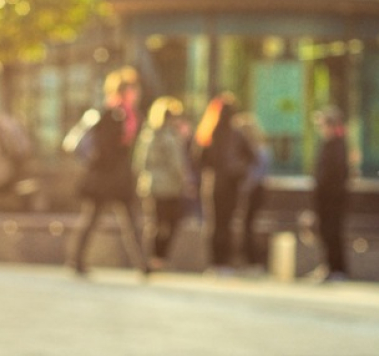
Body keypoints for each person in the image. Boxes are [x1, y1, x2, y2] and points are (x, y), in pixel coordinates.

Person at [64, 68, 149, 277]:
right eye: (132, 89)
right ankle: (76, 260)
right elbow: (105, 148)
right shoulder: (111, 114)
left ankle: (143, 264)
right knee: (93, 219)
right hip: (105, 178)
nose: (136, 94)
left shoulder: (130, 115)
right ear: (124, 91)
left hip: (118, 178)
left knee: (130, 221)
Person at [195, 93, 255, 273]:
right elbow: (252, 156)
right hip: (230, 184)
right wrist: (239, 169)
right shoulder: (235, 134)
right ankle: (224, 262)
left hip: (215, 183)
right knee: (226, 223)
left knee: (216, 223)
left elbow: (198, 160)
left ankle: (216, 262)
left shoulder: (209, 132)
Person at [135, 95, 191, 271]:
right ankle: (159, 258)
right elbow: (177, 164)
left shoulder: (147, 134)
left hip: (150, 185)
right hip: (169, 186)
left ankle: (152, 258)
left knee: (155, 222)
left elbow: (139, 163)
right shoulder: (169, 136)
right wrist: (186, 181)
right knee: (171, 222)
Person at [311, 106, 350, 281]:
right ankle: (330, 266)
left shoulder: (337, 146)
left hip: (332, 198)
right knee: (326, 232)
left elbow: (335, 175)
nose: (321, 129)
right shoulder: (328, 145)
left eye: (323, 125)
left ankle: (336, 268)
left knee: (332, 232)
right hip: (325, 197)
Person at [235, 112, 271, 272]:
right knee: (246, 225)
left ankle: (253, 260)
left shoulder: (258, 150)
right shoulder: (257, 149)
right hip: (254, 190)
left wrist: (243, 189)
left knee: (248, 225)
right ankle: (248, 260)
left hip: (254, 191)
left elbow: (256, 174)